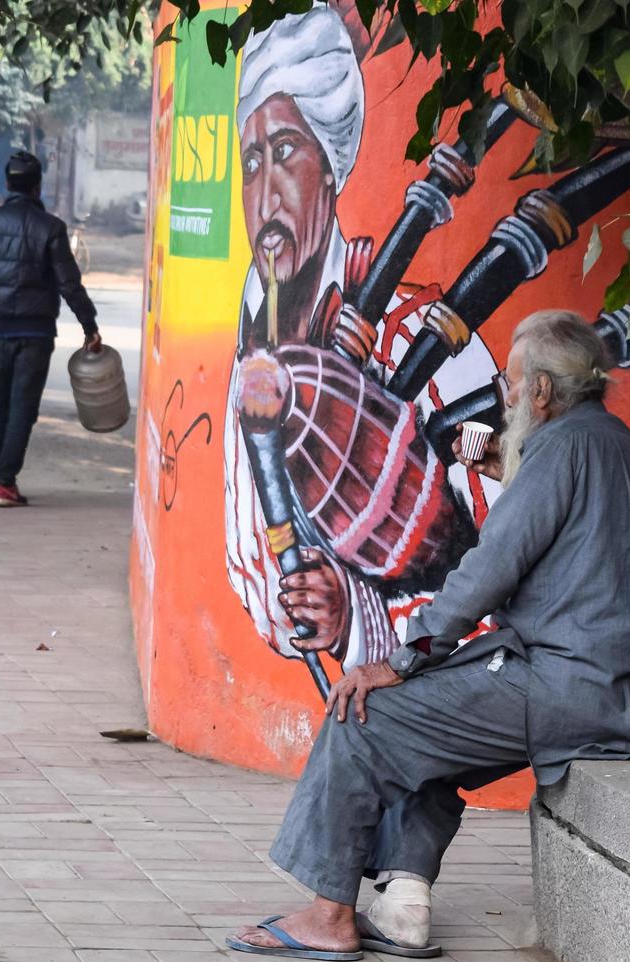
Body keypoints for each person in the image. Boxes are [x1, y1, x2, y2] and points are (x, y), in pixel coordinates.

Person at [226, 309, 630, 962]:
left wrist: (401, 660)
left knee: (368, 714)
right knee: (427, 726)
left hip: (564, 687)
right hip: (618, 693)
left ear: (544, 392)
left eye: (515, 386)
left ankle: (328, 913)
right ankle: (402, 904)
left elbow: (487, 571)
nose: (508, 397)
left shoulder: (560, 447)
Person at [224, 6, 501, 672]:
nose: (264, 193)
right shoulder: (254, 357)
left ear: (330, 164)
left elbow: (509, 586)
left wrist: (360, 619)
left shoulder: (422, 344)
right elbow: (247, 562)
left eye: (285, 151)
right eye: (251, 161)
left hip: (435, 703)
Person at [0, 150, 102, 507]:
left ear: (8, 184)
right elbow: (70, 284)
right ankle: (4, 482)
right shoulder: (51, 229)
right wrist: (90, 325)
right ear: (38, 187)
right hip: (36, 331)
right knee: (23, 404)